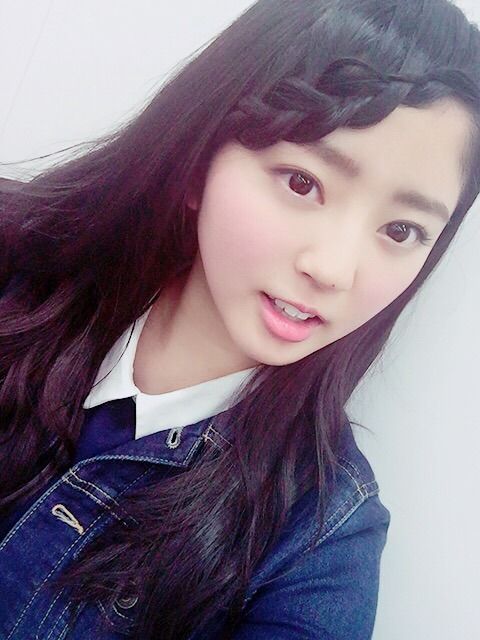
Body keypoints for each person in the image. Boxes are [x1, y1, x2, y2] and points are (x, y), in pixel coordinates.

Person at [0, 0, 479, 638]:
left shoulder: (322, 537)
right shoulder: (16, 265)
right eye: (302, 183)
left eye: (400, 230)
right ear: (198, 162)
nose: (333, 269)